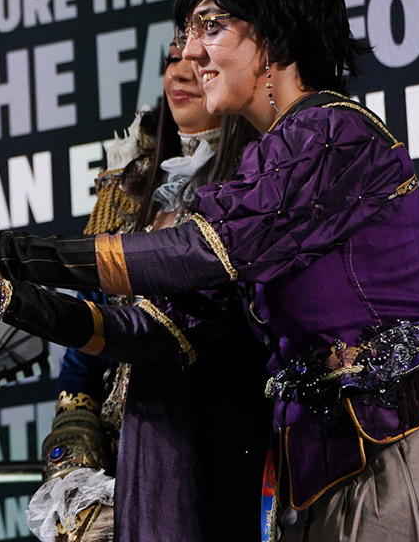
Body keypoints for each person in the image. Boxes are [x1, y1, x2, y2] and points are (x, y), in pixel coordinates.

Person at [0, 0, 419, 541]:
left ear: (275, 35)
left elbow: (193, 252)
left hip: (400, 454)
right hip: (318, 479)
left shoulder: (332, 132)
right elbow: (163, 332)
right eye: (188, 29)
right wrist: (1, 296)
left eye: (211, 25)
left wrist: (0, 250)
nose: (193, 51)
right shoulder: (266, 169)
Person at [30, 44, 269, 542]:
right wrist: (75, 467)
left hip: (227, 445)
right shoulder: (125, 184)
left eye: (199, 60)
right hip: (126, 449)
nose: (180, 72)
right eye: (172, 57)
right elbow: (86, 335)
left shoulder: (260, 176)